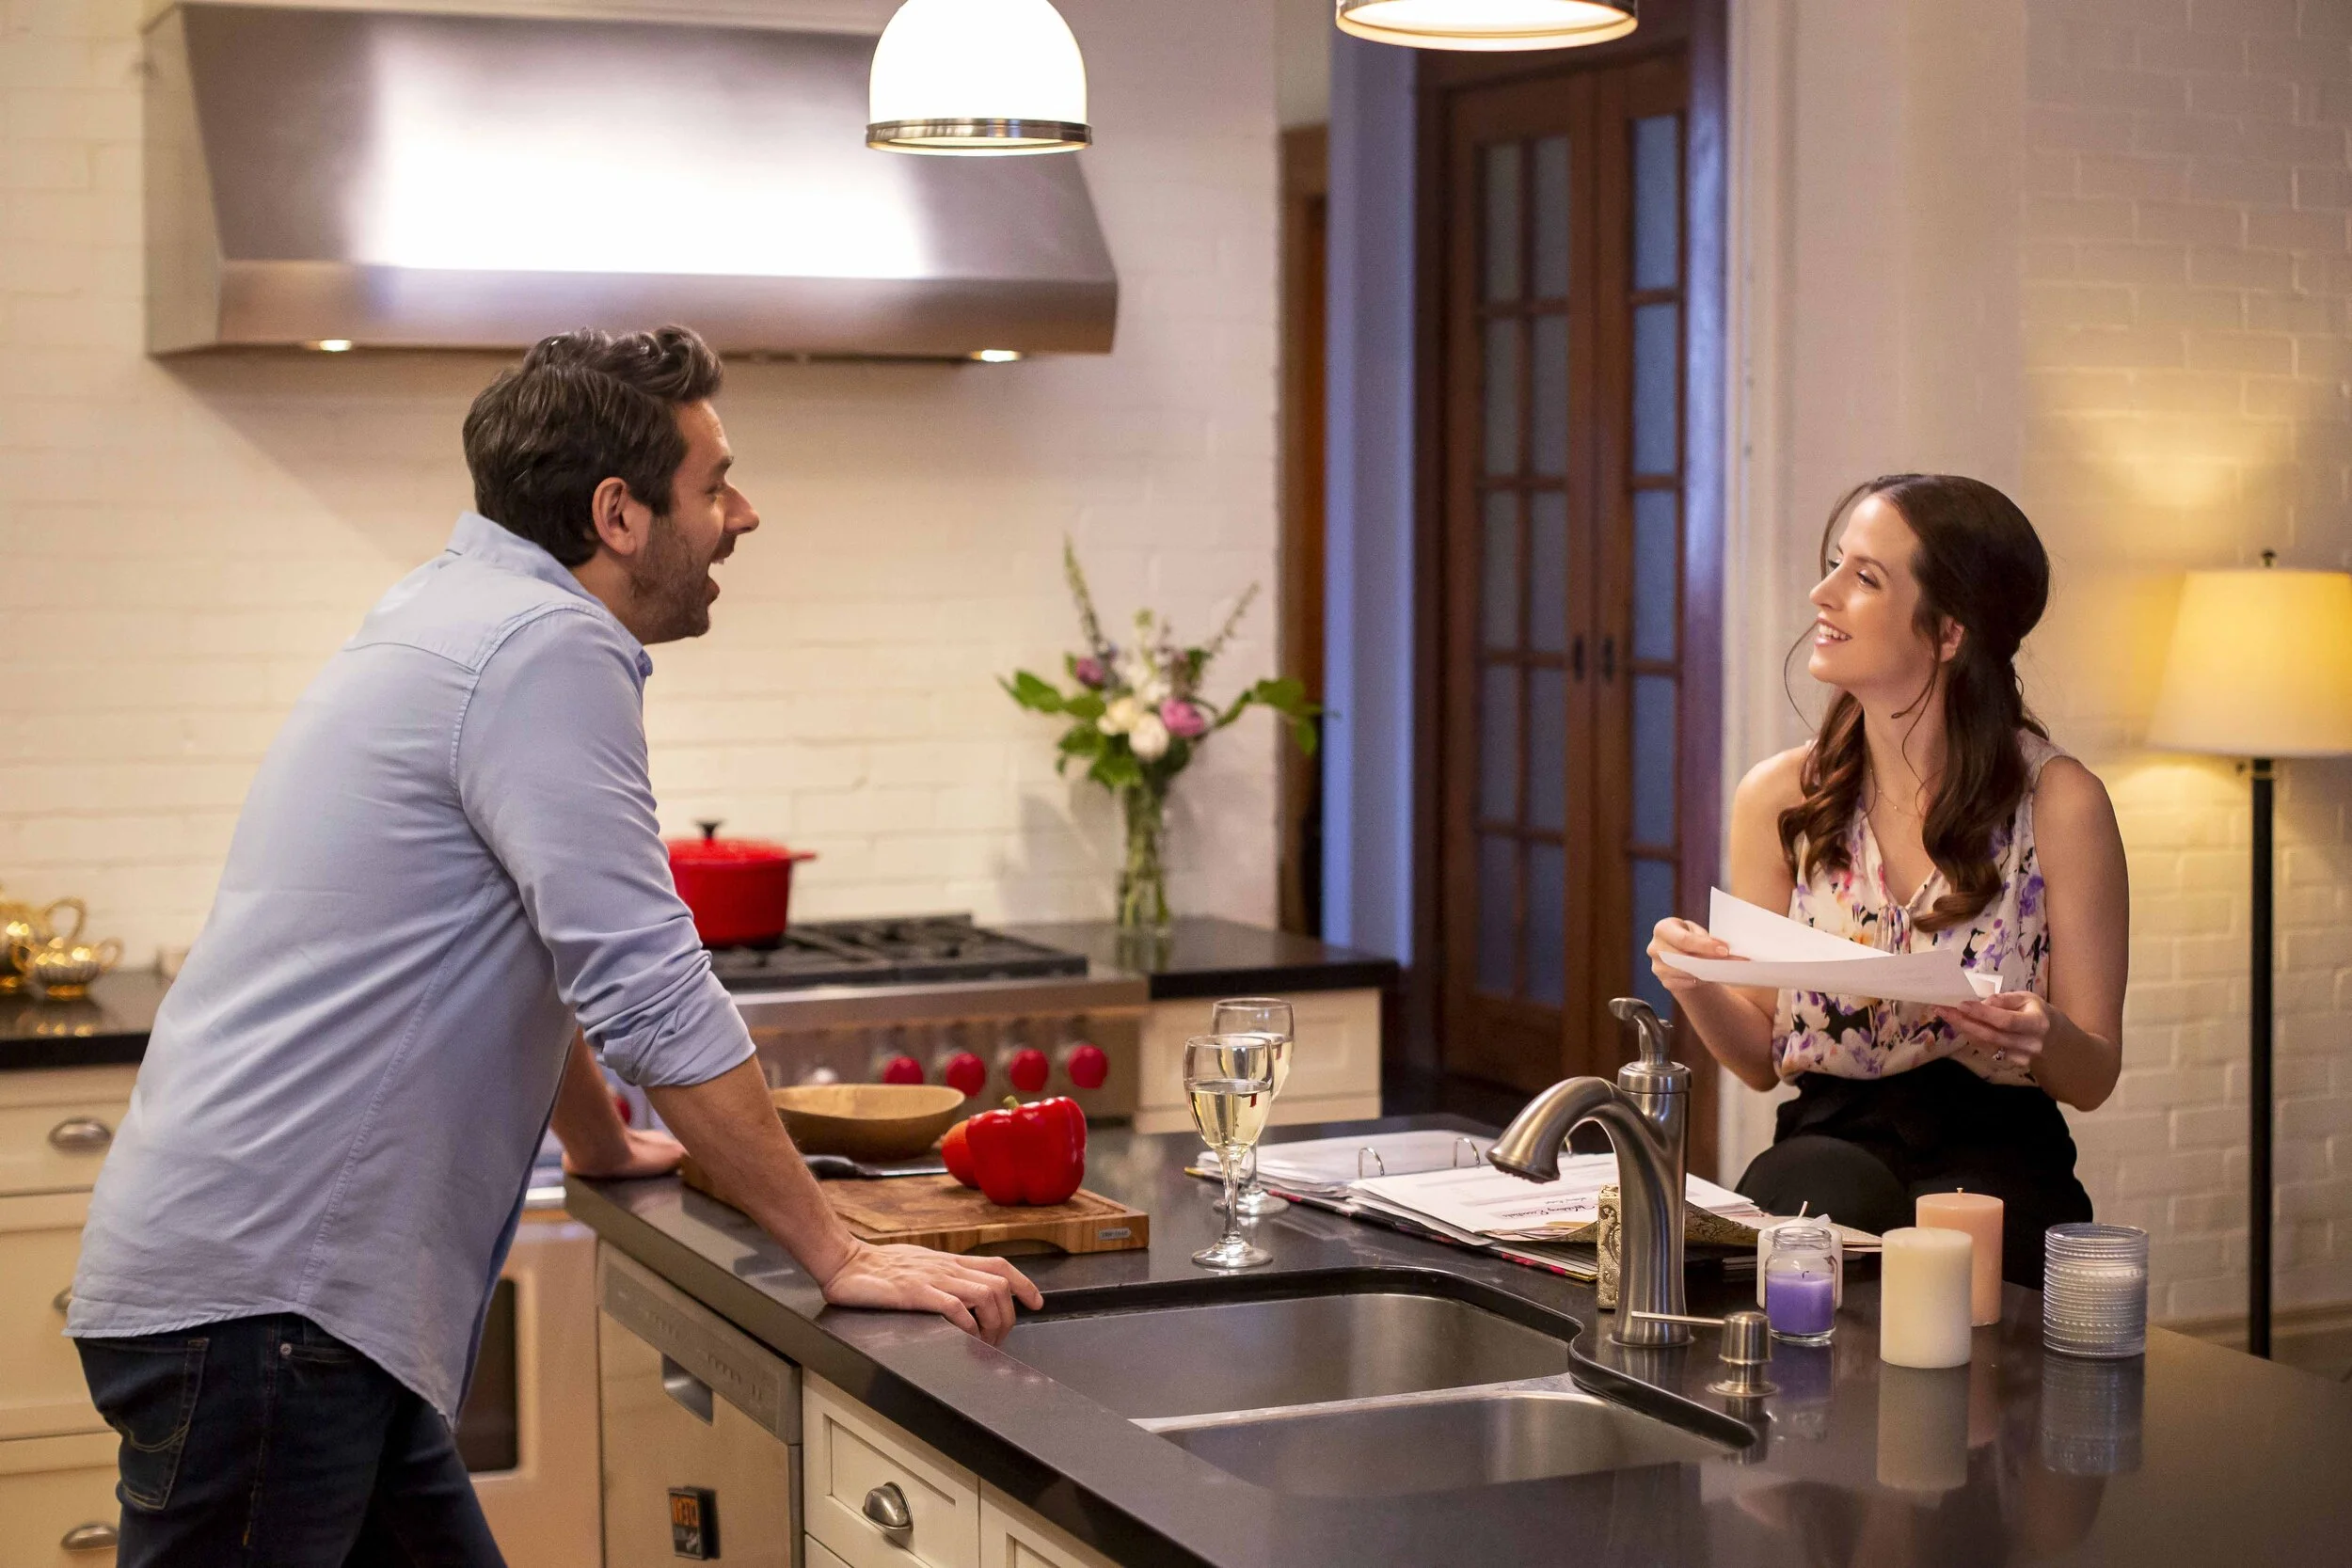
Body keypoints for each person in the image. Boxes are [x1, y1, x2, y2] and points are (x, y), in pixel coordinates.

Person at [66, 325, 1041, 1567]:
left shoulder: (454, 604)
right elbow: (646, 981)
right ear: (619, 512)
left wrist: (593, 1135)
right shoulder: (547, 649)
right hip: (272, 1309)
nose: (744, 512)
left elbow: (524, 926)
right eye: (715, 481)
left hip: (286, 1302)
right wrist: (835, 1247)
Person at [1650, 473, 2126, 1286]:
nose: (1821, 593)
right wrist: (1692, 981)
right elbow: (1762, 1059)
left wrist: (2044, 1033)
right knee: (1801, 1215)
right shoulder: (1779, 796)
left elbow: (2094, 1075)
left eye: (1864, 578)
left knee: (1976, 1247)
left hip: (2000, 1139)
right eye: (1836, 564)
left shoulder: (2061, 801)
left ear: (1948, 631)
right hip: (1830, 1134)